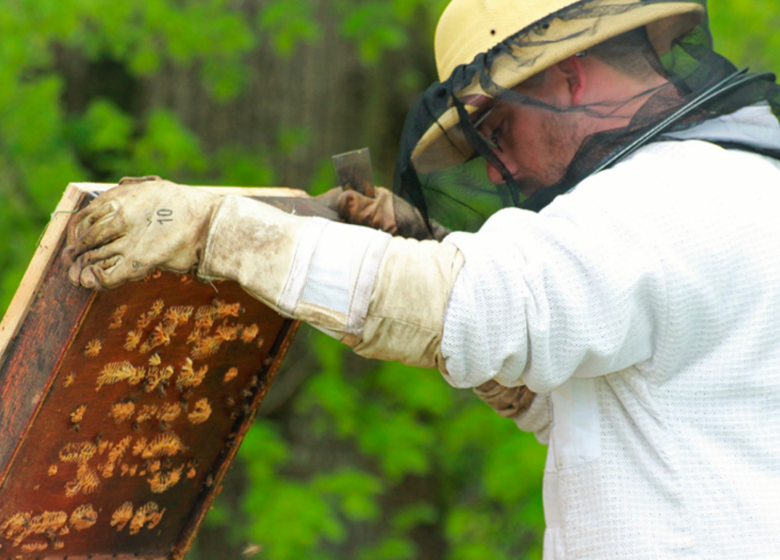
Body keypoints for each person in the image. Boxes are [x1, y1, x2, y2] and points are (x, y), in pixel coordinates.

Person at [63, 0, 780, 557]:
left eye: (497, 130)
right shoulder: (735, 188)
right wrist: (426, 248)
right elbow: (614, 411)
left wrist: (216, 231)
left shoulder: (667, 199)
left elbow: (476, 309)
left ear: (567, 76)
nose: (501, 169)